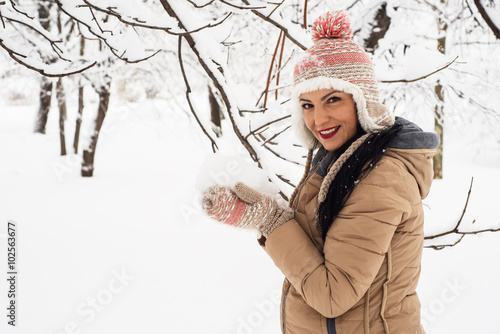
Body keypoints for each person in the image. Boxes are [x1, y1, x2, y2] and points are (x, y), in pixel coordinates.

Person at [202, 10, 439, 334]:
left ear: (362, 101)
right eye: (307, 105)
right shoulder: (342, 160)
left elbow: (332, 295)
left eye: (332, 99)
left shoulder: (381, 179)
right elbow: (322, 244)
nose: (319, 119)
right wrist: (260, 211)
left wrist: (271, 222)